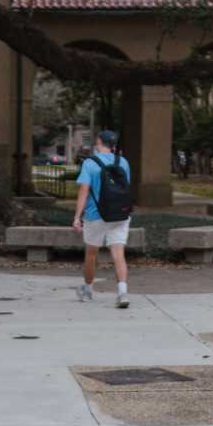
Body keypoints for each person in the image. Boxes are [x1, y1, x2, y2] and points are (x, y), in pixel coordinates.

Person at [71, 127, 134, 309]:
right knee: (118, 254)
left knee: (91, 254)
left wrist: (77, 217)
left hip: (95, 215)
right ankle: (122, 293)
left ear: (99, 143)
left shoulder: (90, 163)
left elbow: (84, 190)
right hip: (120, 215)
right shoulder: (123, 162)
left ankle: (88, 290)